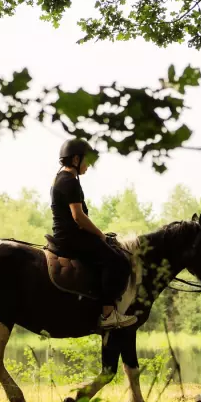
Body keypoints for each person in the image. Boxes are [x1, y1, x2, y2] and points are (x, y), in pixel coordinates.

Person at [50, 138, 137, 329]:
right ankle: (108, 314)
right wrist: (101, 235)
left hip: (68, 235)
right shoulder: (70, 181)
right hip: (72, 238)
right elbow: (78, 217)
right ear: (75, 160)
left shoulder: (61, 179)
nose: (88, 165)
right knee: (118, 261)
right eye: (86, 161)